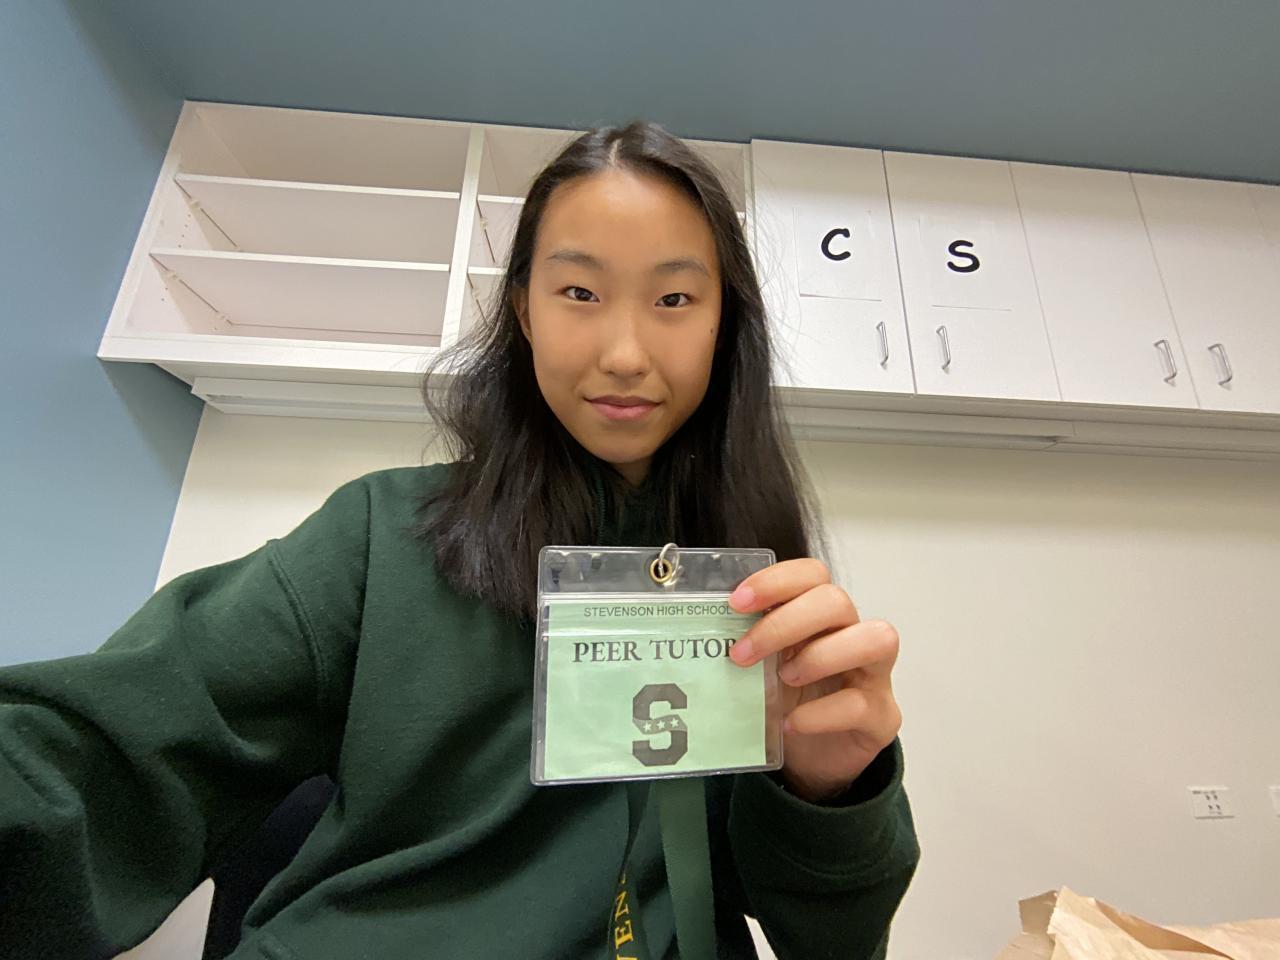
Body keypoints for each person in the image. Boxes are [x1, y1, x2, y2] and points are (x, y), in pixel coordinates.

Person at [0, 119, 919, 959]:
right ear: (523, 311)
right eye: (579, 291)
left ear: (725, 323)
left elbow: (834, 940)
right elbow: (110, 751)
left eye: (675, 298)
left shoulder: (757, 588)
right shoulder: (381, 537)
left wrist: (831, 793)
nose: (626, 353)